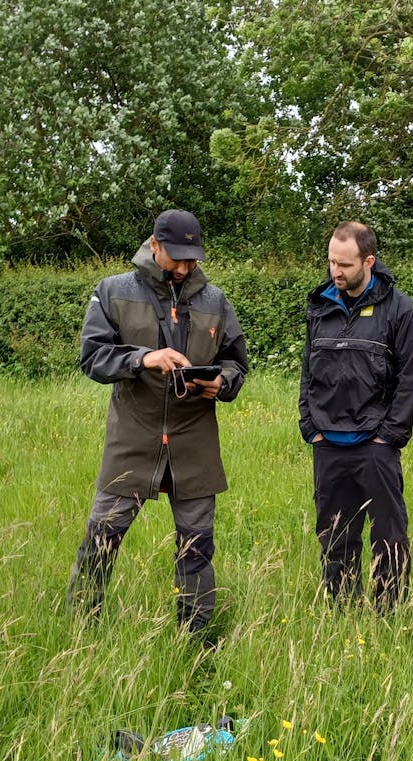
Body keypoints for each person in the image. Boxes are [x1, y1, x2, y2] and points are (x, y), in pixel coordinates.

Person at [68, 209, 248, 632]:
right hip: (132, 441)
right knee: (101, 540)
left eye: (193, 259)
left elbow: (237, 366)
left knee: (197, 547)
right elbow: (92, 358)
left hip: (194, 444)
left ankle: (197, 635)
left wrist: (219, 383)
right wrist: (143, 358)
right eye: (176, 257)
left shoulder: (216, 301)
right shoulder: (112, 291)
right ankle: (80, 627)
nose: (185, 268)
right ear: (154, 246)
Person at [299, 221, 413, 609]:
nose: (336, 272)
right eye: (331, 263)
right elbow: (307, 370)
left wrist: (389, 436)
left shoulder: (399, 310)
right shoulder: (320, 305)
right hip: (328, 443)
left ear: (368, 261)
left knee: (388, 535)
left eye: (345, 265)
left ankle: (390, 611)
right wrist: (310, 426)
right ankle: (342, 607)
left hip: (375, 445)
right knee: (334, 533)